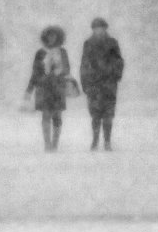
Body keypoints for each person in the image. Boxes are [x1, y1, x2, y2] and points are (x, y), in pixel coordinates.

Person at [79, 17, 124, 151]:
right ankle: (95, 139)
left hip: (109, 84)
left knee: (108, 114)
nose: (99, 31)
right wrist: (84, 82)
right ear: (93, 30)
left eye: (101, 28)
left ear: (105, 29)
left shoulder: (112, 43)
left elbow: (119, 61)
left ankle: (107, 141)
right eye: (96, 28)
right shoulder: (88, 43)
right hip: (94, 84)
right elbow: (84, 64)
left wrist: (115, 75)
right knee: (95, 114)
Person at [25, 25, 70, 152]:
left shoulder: (62, 52)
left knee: (57, 116)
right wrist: (29, 89)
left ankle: (55, 144)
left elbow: (67, 69)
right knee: (45, 115)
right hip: (44, 88)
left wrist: (57, 72)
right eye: (49, 36)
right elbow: (35, 72)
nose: (51, 38)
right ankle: (47, 144)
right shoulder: (40, 53)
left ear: (58, 37)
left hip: (58, 88)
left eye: (54, 36)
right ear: (45, 38)